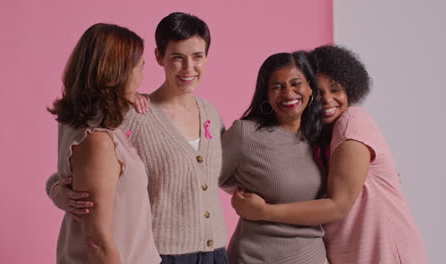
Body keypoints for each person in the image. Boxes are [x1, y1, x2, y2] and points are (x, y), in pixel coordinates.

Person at [46, 13, 228, 263]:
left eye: (198, 56)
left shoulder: (211, 114)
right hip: (159, 253)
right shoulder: (130, 116)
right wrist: (59, 191)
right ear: (159, 57)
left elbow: (230, 174)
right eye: (177, 57)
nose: (189, 68)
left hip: (215, 252)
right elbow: (78, 166)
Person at [231, 45, 429, 264]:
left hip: (381, 252)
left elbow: (339, 205)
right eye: (318, 91)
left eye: (336, 89)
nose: (327, 99)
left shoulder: (351, 123)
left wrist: (264, 212)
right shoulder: (312, 136)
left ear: (350, 89)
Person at [47, 23, 160, 263]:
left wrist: (55, 190)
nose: (143, 76)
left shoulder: (81, 122)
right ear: (117, 74)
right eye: (140, 68)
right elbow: (97, 241)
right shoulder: (98, 141)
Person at [219, 52, 328, 264]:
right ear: (266, 95)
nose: (288, 93)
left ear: (310, 87)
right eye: (277, 87)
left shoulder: (321, 136)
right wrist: (245, 187)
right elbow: (205, 179)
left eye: (296, 83)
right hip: (256, 258)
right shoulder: (246, 133)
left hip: (313, 257)